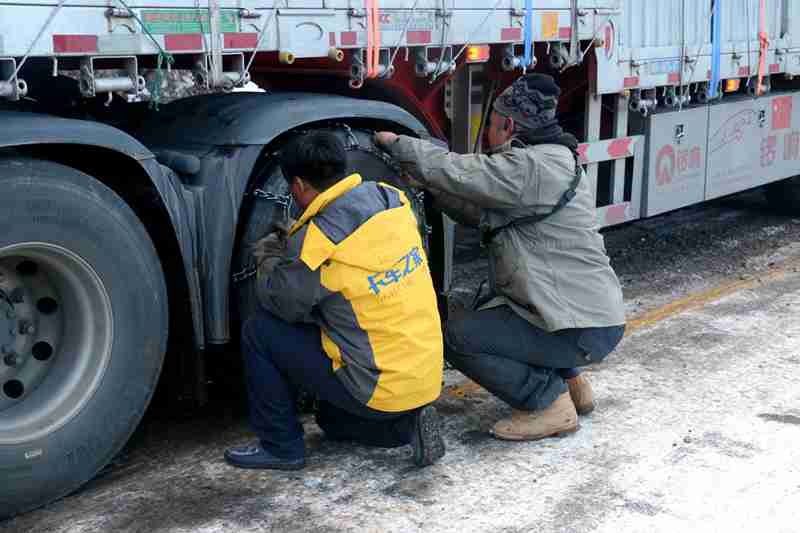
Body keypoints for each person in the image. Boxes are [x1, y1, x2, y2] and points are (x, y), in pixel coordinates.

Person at [375, 73, 626, 441]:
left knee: (456, 335)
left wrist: (398, 145)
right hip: (585, 316)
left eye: (491, 124)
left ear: (508, 124)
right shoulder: (553, 161)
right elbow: (480, 214)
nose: (488, 134)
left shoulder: (531, 167)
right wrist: (428, 187)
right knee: (503, 314)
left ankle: (547, 403)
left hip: (578, 325)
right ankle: (575, 387)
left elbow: (460, 172)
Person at [225, 131, 445, 470]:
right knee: (331, 420)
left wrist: (269, 255)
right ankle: (408, 422)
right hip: (425, 374)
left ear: (297, 185)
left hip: (377, 385)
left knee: (259, 333)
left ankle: (281, 447)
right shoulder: (390, 199)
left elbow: (279, 303)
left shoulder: (317, 243)